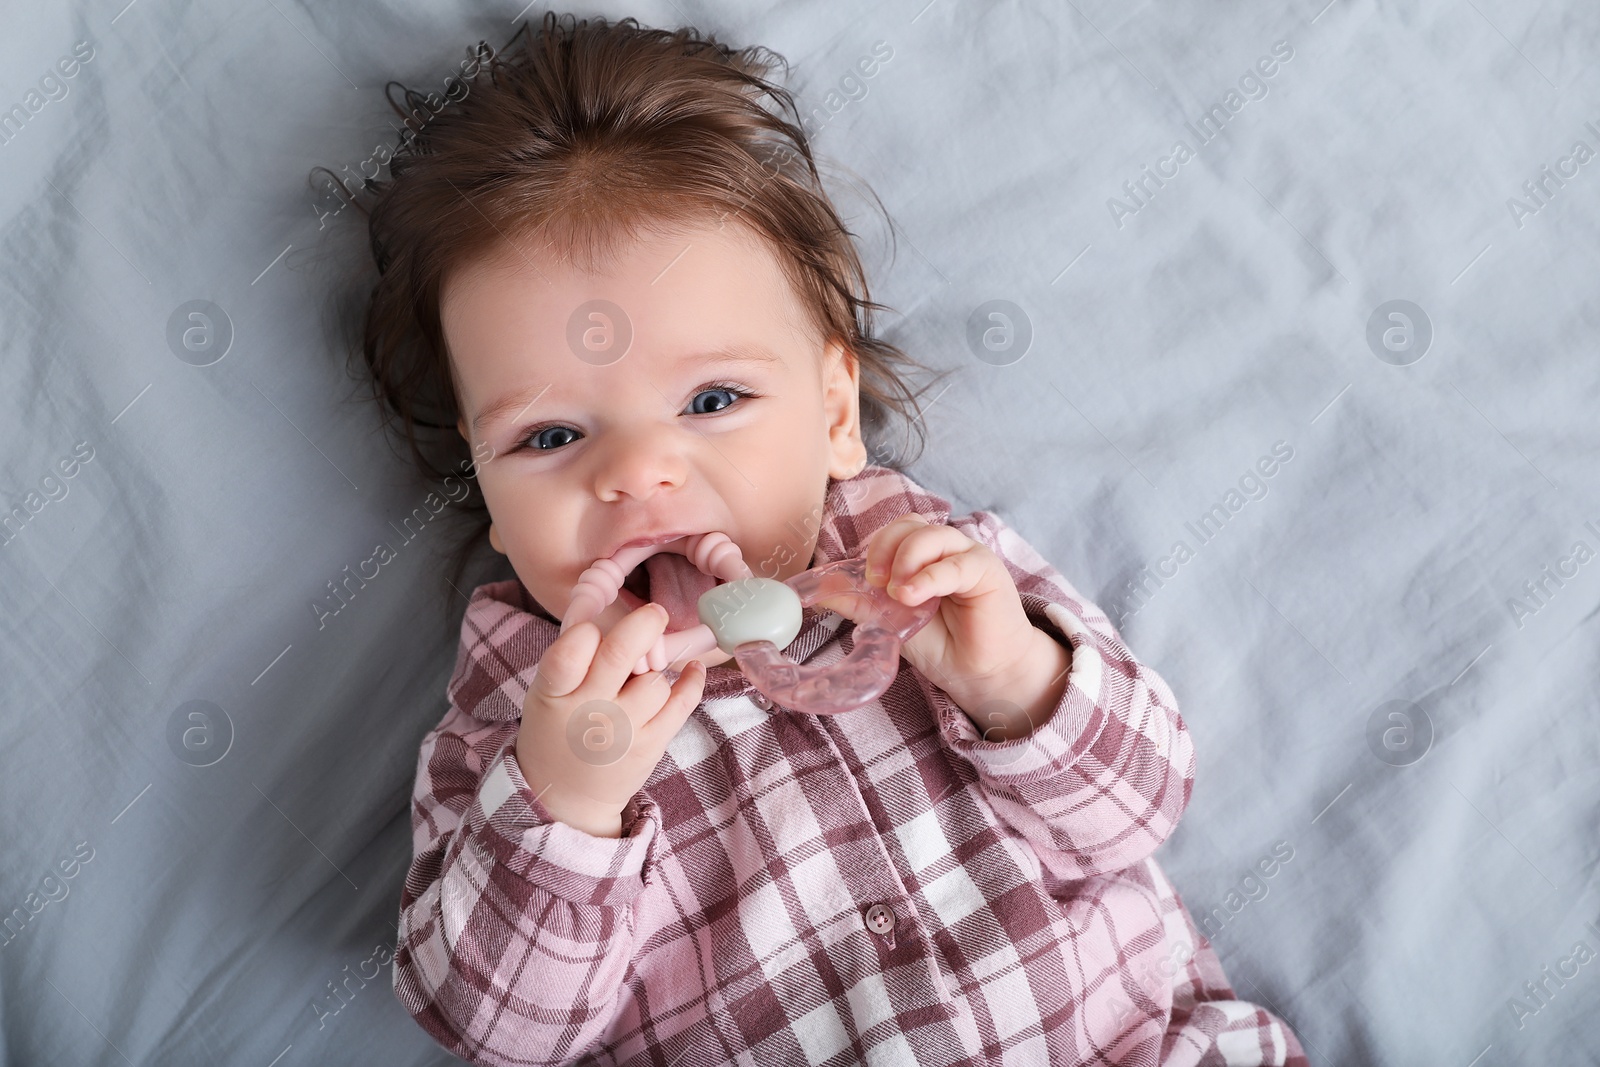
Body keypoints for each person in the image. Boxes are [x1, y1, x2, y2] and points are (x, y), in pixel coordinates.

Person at [346, 12, 1309, 1065]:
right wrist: (568, 802)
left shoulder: (934, 568)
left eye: (712, 398)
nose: (635, 471)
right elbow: (491, 1029)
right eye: (550, 434)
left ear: (836, 413)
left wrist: (1014, 684)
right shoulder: (508, 713)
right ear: (484, 490)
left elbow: (1139, 808)